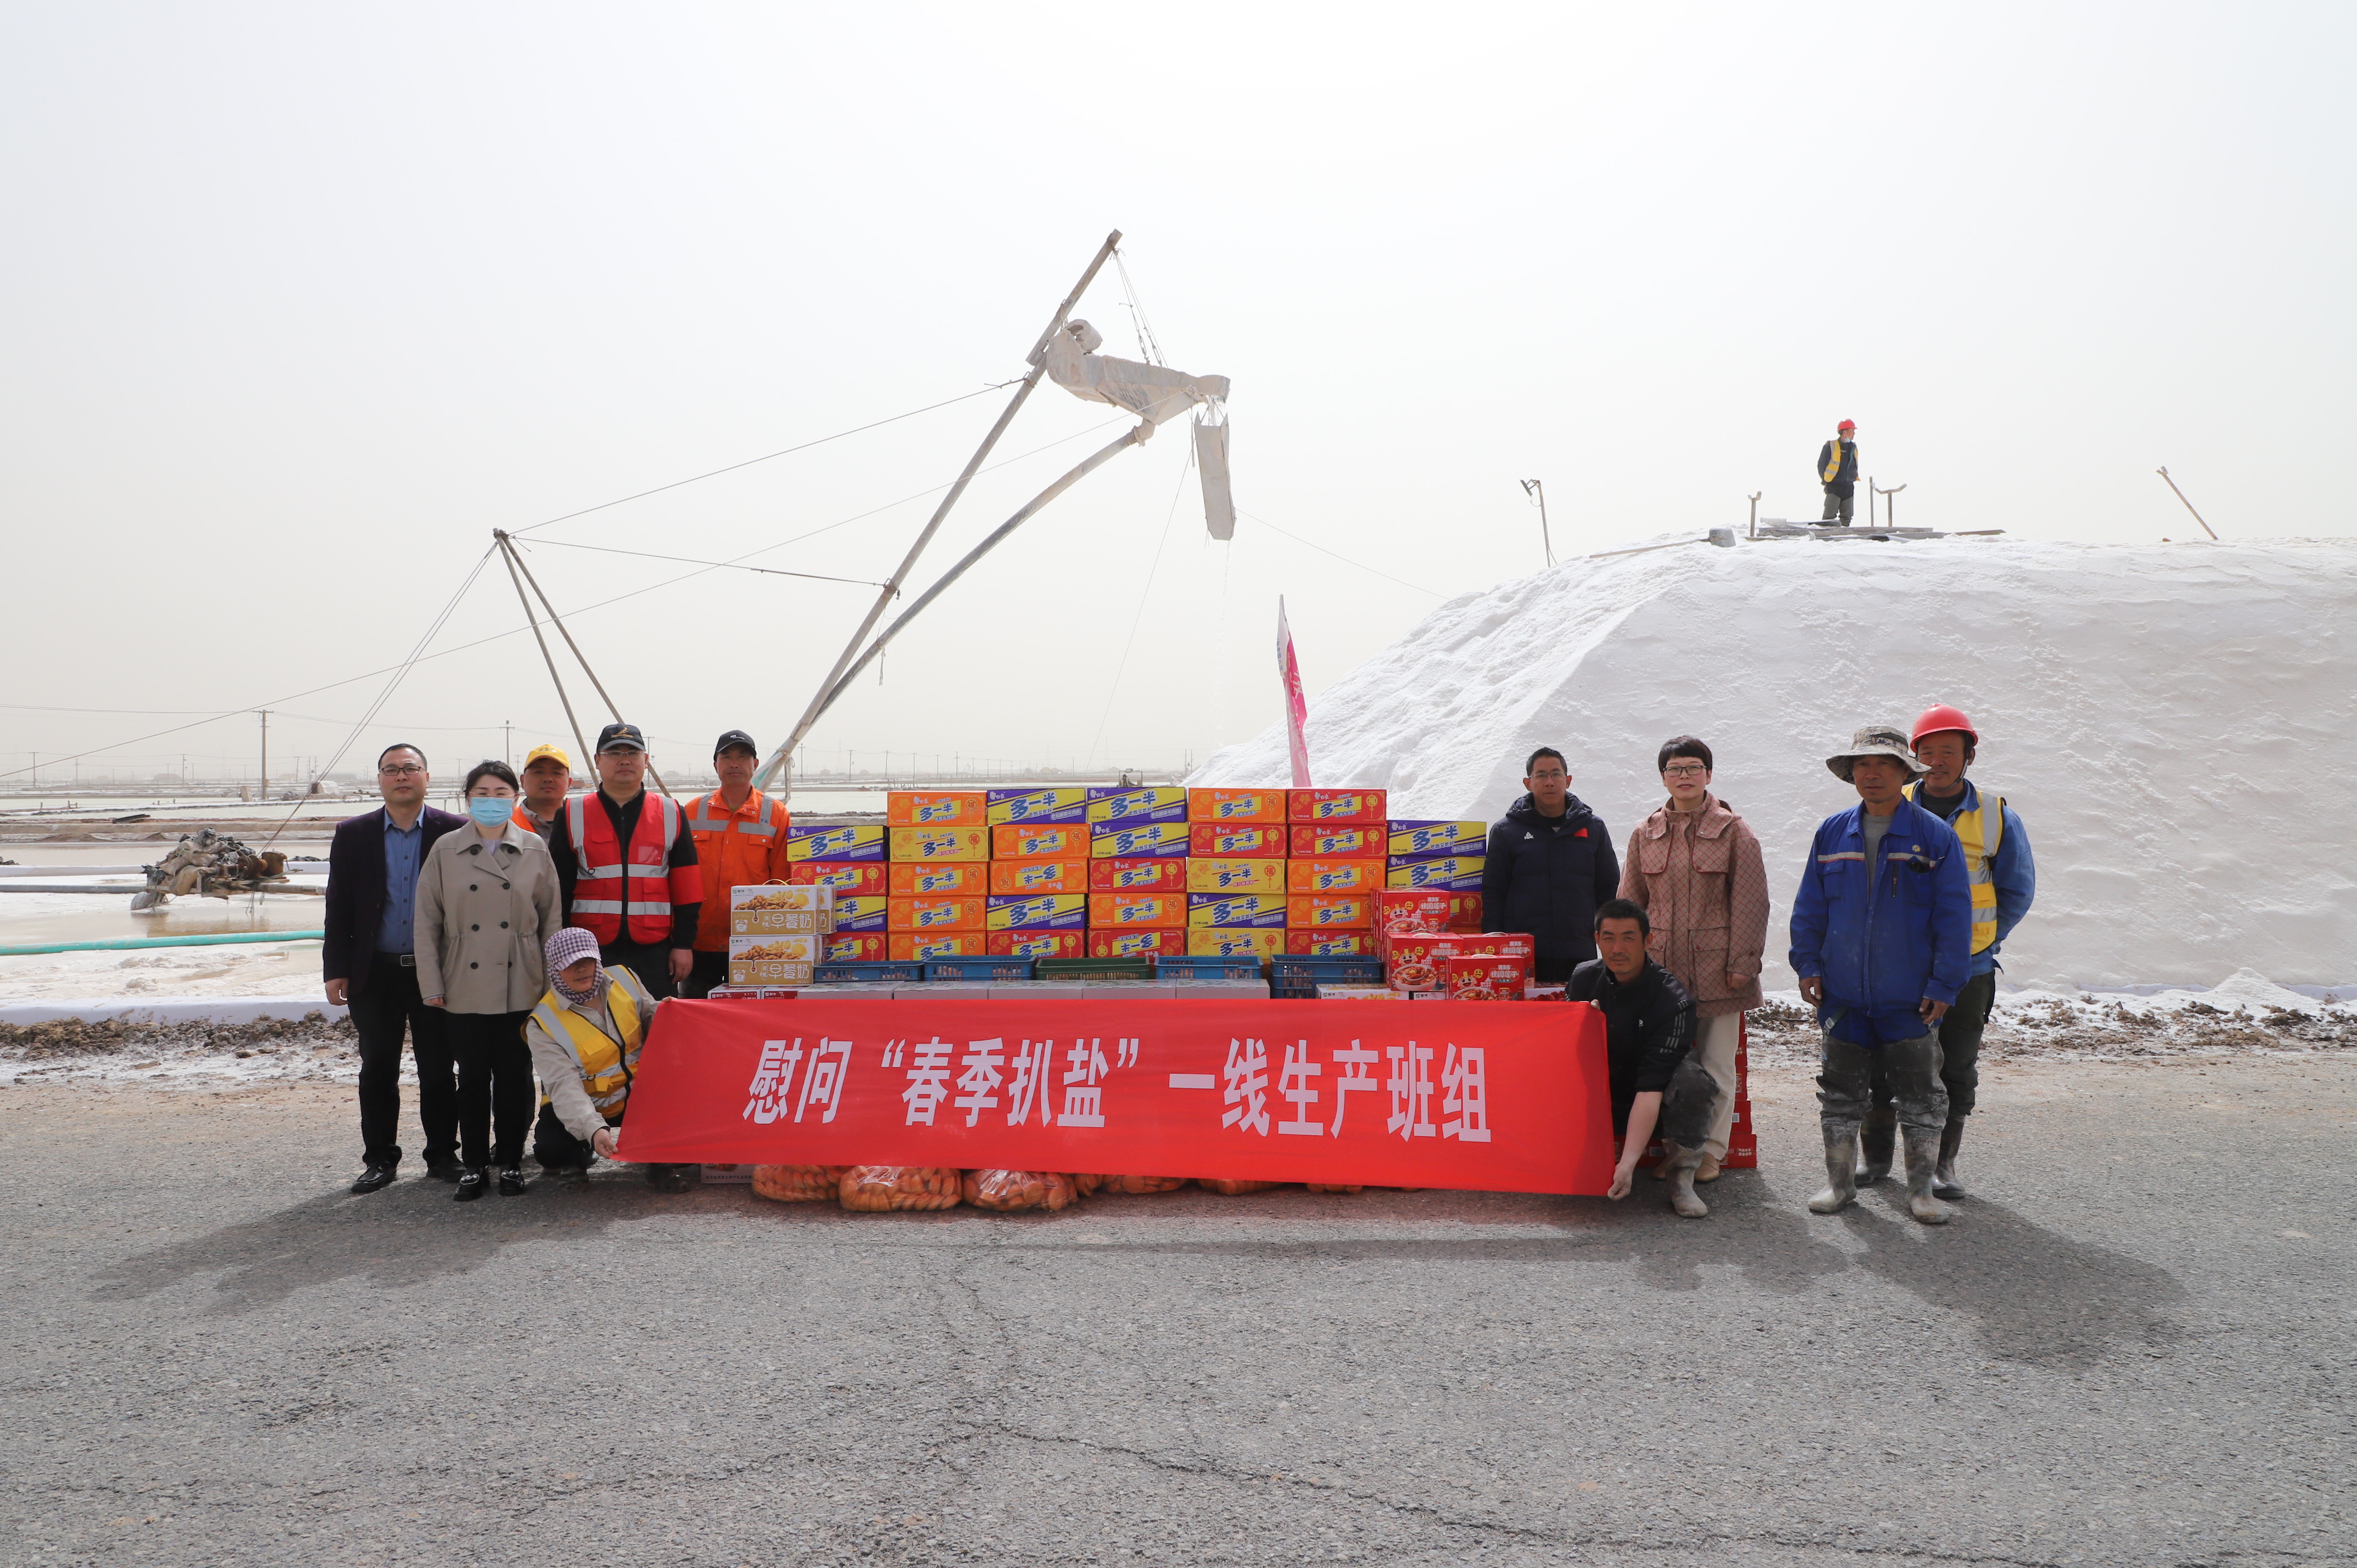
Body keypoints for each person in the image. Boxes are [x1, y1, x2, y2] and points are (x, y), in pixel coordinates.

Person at [1789, 725, 1973, 1224]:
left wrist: (1945, 983)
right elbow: (1810, 907)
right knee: (1840, 1094)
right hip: (1844, 995)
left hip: (1909, 997)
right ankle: (1839, 1185)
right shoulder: (1832, 833)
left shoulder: (1935, 837)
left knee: (1921, 1097)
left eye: (1884, 765)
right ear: (1851, 774)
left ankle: (1921, 1193)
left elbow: (1955, 917)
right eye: (1863, 765)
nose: (1872, 774)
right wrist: (1808, 963)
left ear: (1904, 773)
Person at [1849, 704, 2035, 1199]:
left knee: (1955, 1066)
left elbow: (2016, 890)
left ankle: (1940, 1164)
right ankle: (1876, 1158)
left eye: (1948, 752)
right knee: (1881, 1062)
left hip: (1968, 970)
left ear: (1969, 756)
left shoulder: (1996, 817)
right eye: (1927, 751)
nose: (1937, 761)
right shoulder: (1892, 804)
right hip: (1897, 967)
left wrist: (1984, 940)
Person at [1616, 735, 1769, 1184]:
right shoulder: (1645, 833)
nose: (1684, 776)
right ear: (1663, 777)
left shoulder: (1734, 830)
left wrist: (1743, 962)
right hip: (1662, 973)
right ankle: (1678, 1150)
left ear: (1709, 774)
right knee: (1666, 1066)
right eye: (1675, 769)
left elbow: (1751, 902)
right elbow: (1630, 903)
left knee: (1717, 1066)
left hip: (1719, 970)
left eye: (1693, 767)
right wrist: (1626, 962)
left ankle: (1710, 1152)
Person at [323, 744, 467, 1194]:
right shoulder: (354, 833)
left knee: (439, 1069)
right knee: (378, 1069)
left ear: (427, 777)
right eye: (391, 770)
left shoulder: (455, 831)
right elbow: (339, 905)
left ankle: (443, 1155)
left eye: (410, 768)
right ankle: (380, 1159)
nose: (401, 776)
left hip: (436, 971)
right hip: (374, 973)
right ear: (380, 780)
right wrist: (335, 968)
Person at [416, 760, 563, 1201]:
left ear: (515, 798)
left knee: (516, 1076)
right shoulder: (445, 850)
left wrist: (553, 984)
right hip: (464, 978)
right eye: (483, 794)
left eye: (502, 793)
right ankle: (475, 1165)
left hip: (523, 978)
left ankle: (512, 1161)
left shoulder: (534, 848)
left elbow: (551, 921)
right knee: (473, 1078)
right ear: (468, 799)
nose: (492, 802)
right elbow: (427, 923)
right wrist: (431, 983)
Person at [1572, 900, 1720, 1217]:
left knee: (1693, 1082)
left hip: (1653, 1098)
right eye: (1609, 938)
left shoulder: (1673, 1000)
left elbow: (1652, 1084)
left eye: (1629, 938)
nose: (1617, 949)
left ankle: (1681, 1176)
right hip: (1599, 1088)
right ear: (1597, 939)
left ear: (1648, 940)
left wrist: (1628, 1165)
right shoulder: (1583, 979)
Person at [525, 926, 696, 1191]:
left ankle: (658, 1165)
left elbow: (651, 1017)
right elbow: (564, 1086)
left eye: (588, 960)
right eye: (571, 965)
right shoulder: (542, 1023)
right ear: (555, 970)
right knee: (552, 1151)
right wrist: (593, 1129)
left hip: (638, 1095)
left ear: (598, 959)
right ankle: (576, 1158)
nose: (582, 969)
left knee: (690, 1137)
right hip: (586, 1102)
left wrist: (667, 1014)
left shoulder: (624, 978)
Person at [546, 722, 703, 998]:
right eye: (614, 753)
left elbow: (688, 888)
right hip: (591, 950)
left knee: (656, 1020)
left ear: (645, 760)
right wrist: (562, 947)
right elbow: (558, 889)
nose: (624, 760)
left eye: (632, 753)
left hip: (655, 950)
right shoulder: (572, 813)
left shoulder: (671, 812)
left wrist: (683, 944)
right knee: (595, 1020)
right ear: (598, 761)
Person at [1482, 747, 1621, 985]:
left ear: (1568, 780)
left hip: (1578, 948)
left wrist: (1610, 937)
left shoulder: (1593, 828)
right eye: (1541, 775)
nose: (1549, 782)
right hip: (1522, 951)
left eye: (1556, 774)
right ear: (1528, 783)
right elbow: (1494, 892)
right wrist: (1492, 944)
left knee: (1577, 1007)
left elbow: (1608, 888)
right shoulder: (1506, 831)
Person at [683, 728, 793, 999]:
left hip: (755, 942)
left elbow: (783, 881)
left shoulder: (776, 814)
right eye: (727, 757)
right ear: (716, 765)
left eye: (743, 757)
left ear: (755, 764)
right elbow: (679, 876)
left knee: (750, 1016)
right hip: (700, 941)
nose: (735, 764)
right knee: (697, 1014)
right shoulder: (692, 811)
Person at [512, 743, 572, 841]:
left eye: (556, 773)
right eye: (539, 772)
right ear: (523, 781)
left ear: (569, 783)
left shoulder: (584, 820)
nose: (548, 779)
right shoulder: (506, 822)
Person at [1816, 419, 1858, 526]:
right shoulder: (1831, 446)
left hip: (1848, 486)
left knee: (1847, 516)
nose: (1854, 434)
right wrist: (1825, 481)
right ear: (1845, 432)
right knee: (1829, 516)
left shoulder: (1853, 447)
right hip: (1834, 486)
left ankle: (1844, 534)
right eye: (1852, 431)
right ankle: (1826, 534)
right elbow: (1821, 465)